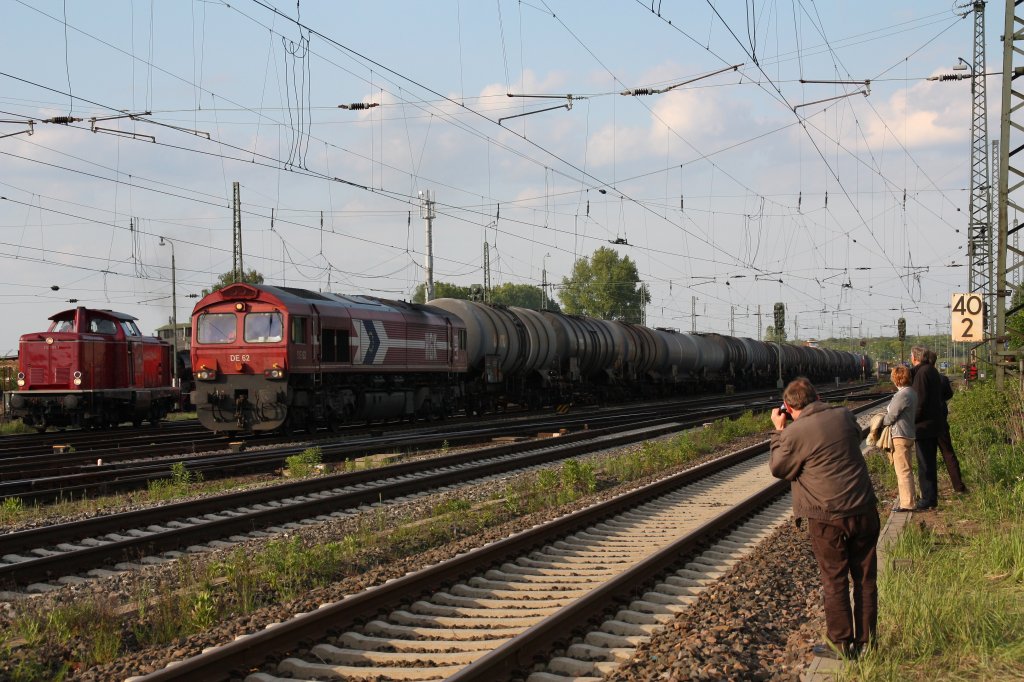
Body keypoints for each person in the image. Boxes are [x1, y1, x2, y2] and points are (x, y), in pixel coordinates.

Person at [769, 377, 880, 658]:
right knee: (865, 578)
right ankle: (867, 644)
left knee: (835, 580)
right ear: (817, 397)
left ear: (788, 408)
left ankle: (840, 644)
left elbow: (779, 468)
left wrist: (779, 431)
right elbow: (853, 438)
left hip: (827, 516)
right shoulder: (844, 415)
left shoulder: (794, 432)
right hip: (864, 508)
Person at [925, 350, 968, 494]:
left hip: (926, 424)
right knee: (948, 454)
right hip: (941, 421)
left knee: (927, 458)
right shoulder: (942, 379)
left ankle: (930, 492)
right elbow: (949, 394)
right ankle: (958, 486)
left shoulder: (920, 378)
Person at [910, 346, 945, 510]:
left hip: (924, 426)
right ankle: (930, 496)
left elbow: (920, 402)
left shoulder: (922, 373)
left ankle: (928, 498)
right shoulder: (931, 370)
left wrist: (911, 420)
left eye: (911, 355)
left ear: (915, 357)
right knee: (929, 463)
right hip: (933, 423)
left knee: (924, 464)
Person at [883, 365, 917, 511]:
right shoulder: (912, 392)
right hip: (908, 433)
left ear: (896, 378)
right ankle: (911, 499)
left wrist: (881, 421)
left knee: (902, 471)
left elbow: (891, 416)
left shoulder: (902, 395)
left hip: (900, 435)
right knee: (907, 469)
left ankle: (907, 504)